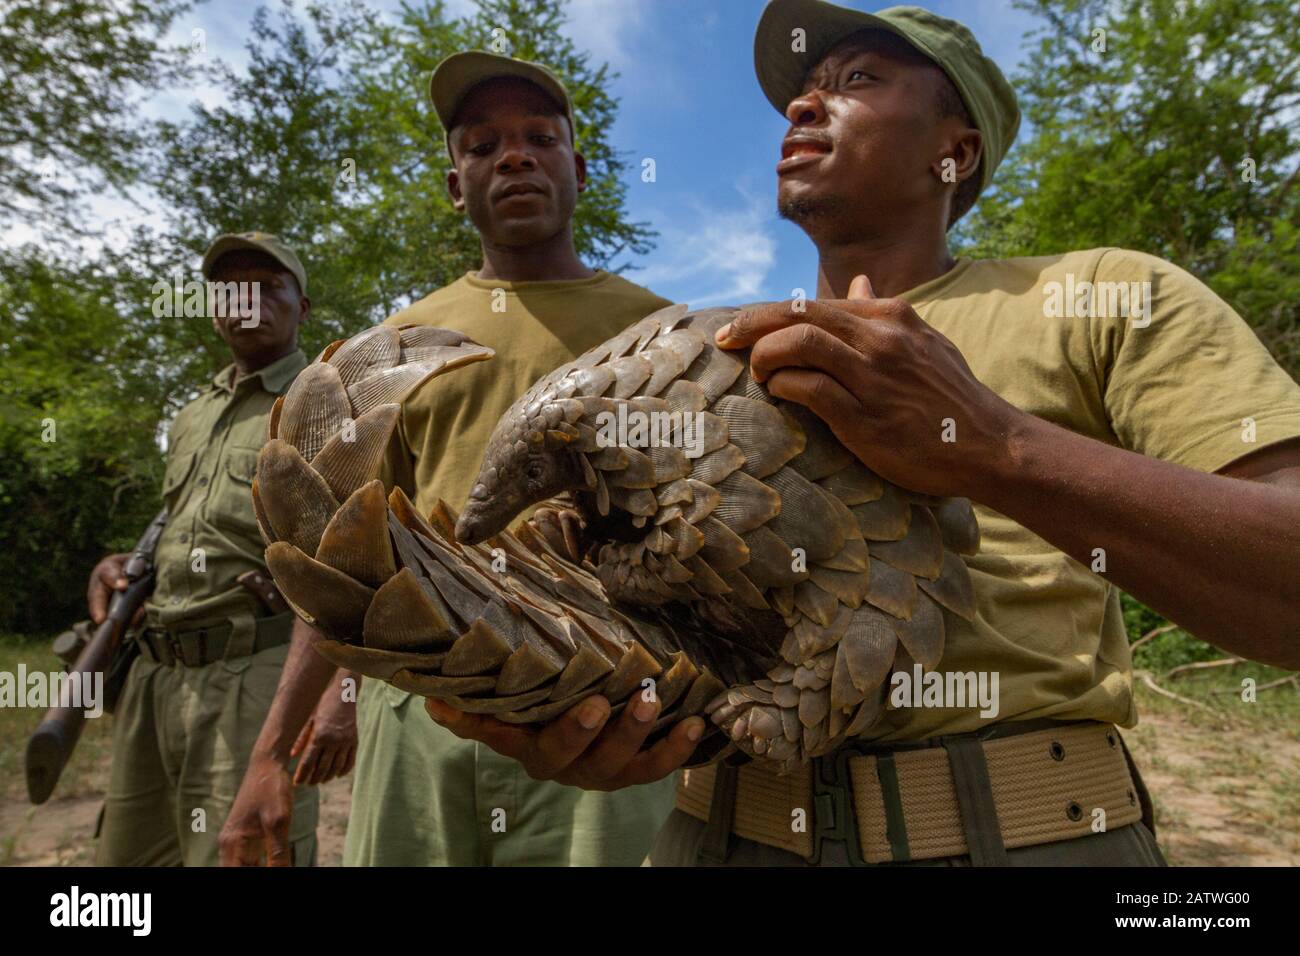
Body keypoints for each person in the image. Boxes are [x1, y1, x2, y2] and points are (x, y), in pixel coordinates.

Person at [422, 2, 1300, 867]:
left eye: (858, 81)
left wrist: (994, 445)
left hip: (1021, 832)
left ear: (954, 151)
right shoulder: (712, 350)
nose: (803, 105)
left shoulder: (1098, 297)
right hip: (714, 830)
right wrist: (595, 713)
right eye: (803, 91)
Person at [220, 54, 679, 867]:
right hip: (424, 709)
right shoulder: (387, 351)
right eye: (481, 144)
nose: (513, 155)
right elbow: (334, 561)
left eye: (540, 137)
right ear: (454, 185)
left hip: (605, 715)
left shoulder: (664, 335)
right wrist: (272, 752)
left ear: (577, 167)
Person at [88, 232, 356, 866]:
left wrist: (342, 693)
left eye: (269, 288)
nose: (247, 302)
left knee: (244, 850)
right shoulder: (190, 416)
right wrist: (121, 566)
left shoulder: (326, 403)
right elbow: (184, 525)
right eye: (230, 288)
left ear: (303, 306)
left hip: (255, 678)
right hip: (156, 676)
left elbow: (353, 563)